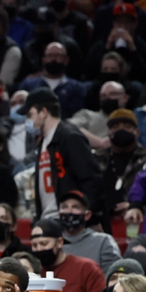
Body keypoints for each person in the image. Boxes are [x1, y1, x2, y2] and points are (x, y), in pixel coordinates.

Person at [21, 88, 101, 222]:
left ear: (43, 112)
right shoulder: (44, 142)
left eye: (30, 115)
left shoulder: (70, 137)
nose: (28, 120)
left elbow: (90, 179)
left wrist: (90, 217)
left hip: (68, 219)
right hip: (48, 219)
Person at [29, 219, 106, 292]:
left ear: (59, 242)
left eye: (44, 243)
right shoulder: (33, 271)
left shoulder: (86, 268)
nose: (39, 249)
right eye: (34, 245)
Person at [96, 109, 146, 227]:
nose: (121, 130)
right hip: (103, 219)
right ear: (108, 132)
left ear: (137, 132)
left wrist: (137, 206)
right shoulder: (97, 157)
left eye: (127, 126)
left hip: (138, 219)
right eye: (115, 127)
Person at [58, 190, 121, 271]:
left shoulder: (103, 241)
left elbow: (114, 275)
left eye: (75, 207)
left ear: (87, 215)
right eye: (64, 207)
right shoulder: (52, 243)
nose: (69, 211)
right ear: (58, 213)